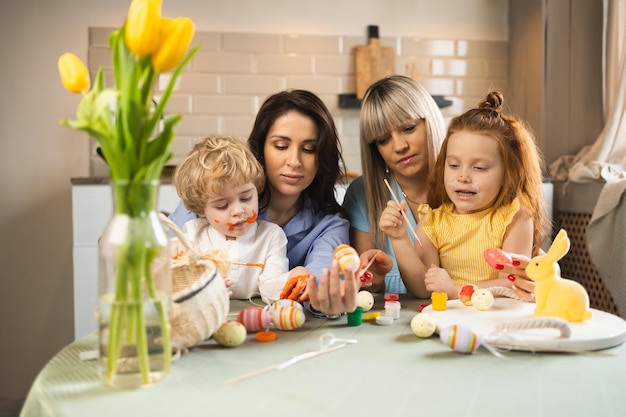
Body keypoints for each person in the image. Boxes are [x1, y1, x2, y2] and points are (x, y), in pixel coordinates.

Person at [170, 89, 370, 315]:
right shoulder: (210, 193)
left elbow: (319, 282)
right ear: (260, 148)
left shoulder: (330, 225)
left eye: (309, 149)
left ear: (322, 156)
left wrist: (319, 294)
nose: (294, 162)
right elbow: (155, 266)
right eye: (281, 146)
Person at [380, 91, 549, 300]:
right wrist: (399, 238)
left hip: (499, 320)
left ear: (508, 174)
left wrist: (454, 290)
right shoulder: (433, 222)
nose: (463, 176)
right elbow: (424, 286)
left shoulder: (515, 217)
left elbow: (511, 286)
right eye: (453, 165)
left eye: (479, 167)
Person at [342, 75, 446, 294]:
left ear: (430, 121)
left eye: (408, 128)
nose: (399, 146)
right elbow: (369, 285)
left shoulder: (467, 187)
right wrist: (374, 281)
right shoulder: (361, 195)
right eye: (383, 140)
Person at [171, 135, 289, 304]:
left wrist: (292, 280)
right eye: (222, 205)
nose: (238, 211)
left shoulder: (271, 236)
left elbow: (271, 289)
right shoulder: (192, 234)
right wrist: (172, 251)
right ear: (200, 209)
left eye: (246, 198)